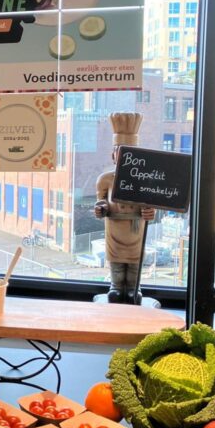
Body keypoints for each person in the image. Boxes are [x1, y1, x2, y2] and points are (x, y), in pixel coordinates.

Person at [94, 112, 155, 304]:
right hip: (114, 229)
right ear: (112, 154)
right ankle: (116, 286)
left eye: (128, 151)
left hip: (136, 229)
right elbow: (102, 201)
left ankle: (133, 288)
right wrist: (101, 208)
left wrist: (150, 212)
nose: (123, 156)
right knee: (117, 264)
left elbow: (153, 202)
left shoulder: (145, 178)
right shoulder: (105, 179)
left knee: (135, 263)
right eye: (118, 150)